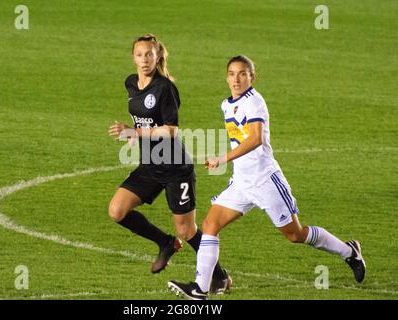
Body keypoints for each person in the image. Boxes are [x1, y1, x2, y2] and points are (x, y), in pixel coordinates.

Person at [167, 55, 366, 300]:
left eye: (243, 73)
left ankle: (349, 251)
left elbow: (255, 139)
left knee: (295, 234)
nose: (236, 79)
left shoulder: (255, 102)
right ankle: (200, 289)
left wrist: (223, 158)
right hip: (242, 183)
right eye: (232, 73)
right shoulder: (226, 104)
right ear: (226, 77)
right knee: (210, 225)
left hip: (265, 181)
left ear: (252, 77)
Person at [107, 34, 231, 293]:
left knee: (187, 230)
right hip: (149, 166)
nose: (144, 60)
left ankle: (220, 277)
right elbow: (142, 120)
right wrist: (134, 136)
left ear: (157, 56)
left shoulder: (165, 88)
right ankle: (165, 242)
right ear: (133, 57)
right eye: (140, 55)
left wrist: (135, 133)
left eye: (149, 55)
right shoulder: (131, 84)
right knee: (117, 211)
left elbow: (171, 129)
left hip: (175, 168)